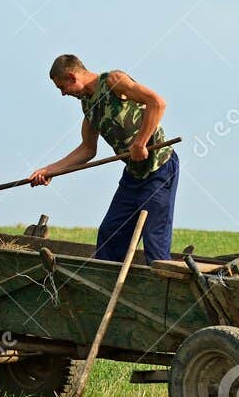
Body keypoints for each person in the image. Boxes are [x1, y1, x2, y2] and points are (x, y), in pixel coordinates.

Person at [29, 54, 178, 263]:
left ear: (72, 77)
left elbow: (157, 103)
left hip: (159, 168)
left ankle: (164, 290)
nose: (63, 94)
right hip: (134, 175)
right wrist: (49, 170)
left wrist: (140, 142)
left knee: (154, 239)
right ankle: (105, 289)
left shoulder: (113, 81)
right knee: (110, 235)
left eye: (62, 87)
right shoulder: (88, 106)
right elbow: (87, 149)